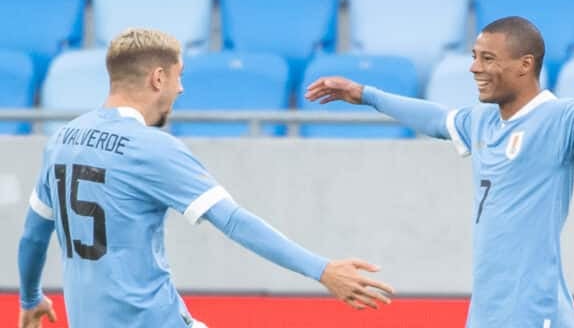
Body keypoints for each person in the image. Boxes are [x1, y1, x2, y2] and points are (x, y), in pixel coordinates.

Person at [18, 28, 394, 328]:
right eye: (179, 76)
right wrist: (323, 269)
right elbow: (233, 220)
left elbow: (34, 236)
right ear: (158, 77)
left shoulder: (61, 140)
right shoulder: (150, 147)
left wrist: (31, 298)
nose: (181, 89)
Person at [305, 16, 574, 327]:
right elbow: (436, 119)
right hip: (485, 312)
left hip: (536, 312)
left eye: (488, 59)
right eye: (475, 56)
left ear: (525, 65)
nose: (474, 68)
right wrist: (365, 95)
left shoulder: (558, 119)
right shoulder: (482, 120)